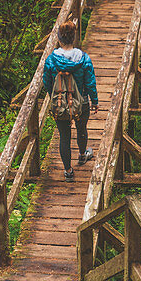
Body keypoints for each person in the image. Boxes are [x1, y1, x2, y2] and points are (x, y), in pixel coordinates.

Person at [43, 20, 98, 180]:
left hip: (60, 103)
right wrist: (94, 100)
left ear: (59, 39)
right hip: (81, 102)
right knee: (82, 129)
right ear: (73, 38)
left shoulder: (51, 60)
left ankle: (68, 171)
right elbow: (90, 82)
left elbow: (47, 82)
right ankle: (82, 155)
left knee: (64, 136)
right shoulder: (83, 58)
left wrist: (54, 98)